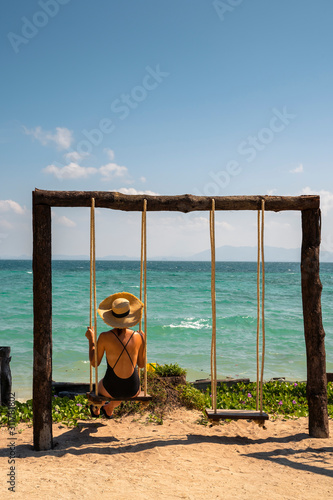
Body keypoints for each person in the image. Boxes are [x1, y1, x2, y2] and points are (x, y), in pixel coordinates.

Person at [85, 292, 146, 418]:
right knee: (120, 391)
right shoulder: (138, 336)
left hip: (111, 388)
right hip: (133, 389)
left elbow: (94, 363)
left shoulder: (104, 337)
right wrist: (143, 342)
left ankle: (97, 407)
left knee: (101, 388)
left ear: (112, 316)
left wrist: (91, 340)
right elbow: (141, 365)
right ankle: (110, 408)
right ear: (129, 315)